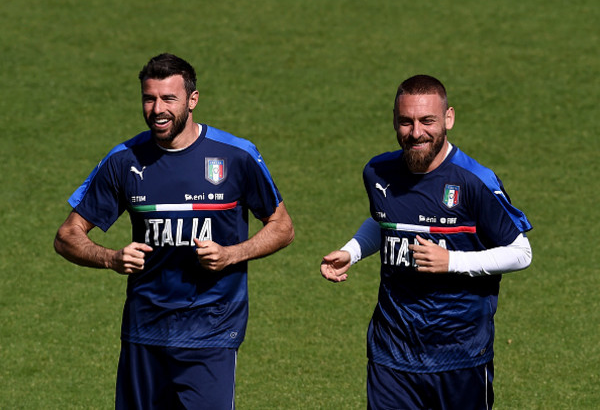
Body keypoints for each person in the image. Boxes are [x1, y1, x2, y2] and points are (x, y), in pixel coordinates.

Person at [55, 53, 294, 409]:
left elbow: (282, 227)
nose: (157, 109)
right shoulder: (125, 159)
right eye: (149, 99)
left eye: (169, 98)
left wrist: (231, 253)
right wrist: (111, 258)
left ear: (192, 100)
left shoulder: (236, 156)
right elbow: (66, 236)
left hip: (212, 329)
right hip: (144, 330)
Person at [320, 75, 532, 409]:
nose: (416, 132)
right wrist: (352, 251)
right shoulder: (378, 171)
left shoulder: (475, 180)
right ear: (394, 121)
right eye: (406, 122)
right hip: (392, 352)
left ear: (448, 118)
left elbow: (521, 253)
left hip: (460, 354)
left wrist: (452, 263)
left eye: (427, 121)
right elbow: (385, 220)